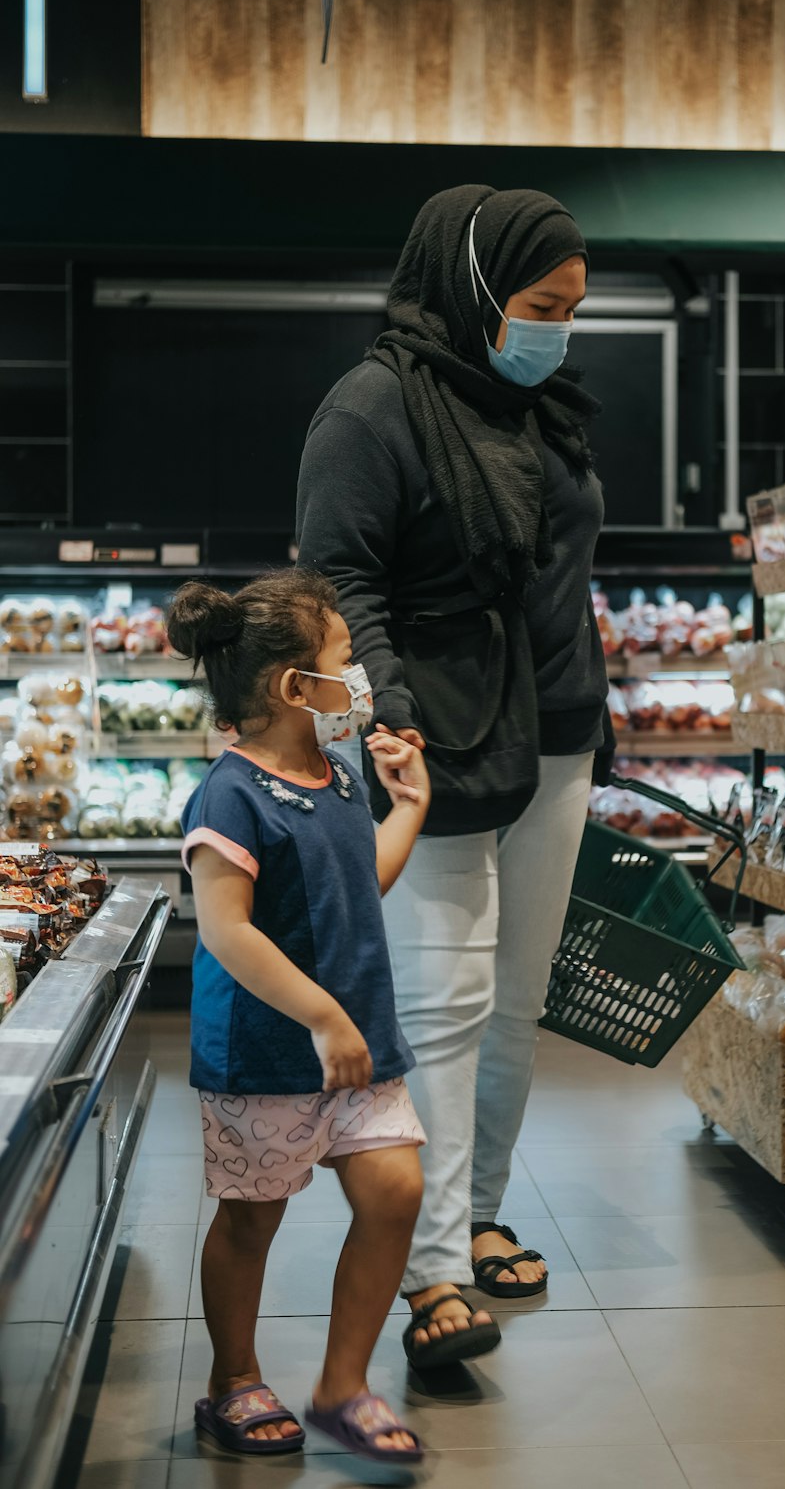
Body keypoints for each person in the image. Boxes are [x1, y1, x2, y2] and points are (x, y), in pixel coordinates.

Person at [296, 184, 612, 1370]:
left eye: (573, 310)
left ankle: (475, 1213)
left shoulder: (546, 403)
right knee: (440, 1004)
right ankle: (427, 1274)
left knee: (517, 1003)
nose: (557, 332)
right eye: (539, 306)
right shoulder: (372, 410)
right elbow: (339, 576)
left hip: (560, 728)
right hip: (430, 739)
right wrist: (388, 713)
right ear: (476, 291)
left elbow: (563, 573)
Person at [168, 570, 430, 1463]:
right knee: (253, 1219)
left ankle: (342, 1388)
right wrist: (321, 1016)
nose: (359, 682)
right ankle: (233, 1378)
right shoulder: (228, 796)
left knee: (396, 1191)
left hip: (357, 1042)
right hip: (269, 1050)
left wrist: (411, 808)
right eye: (345, 663)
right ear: (293, 688)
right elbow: (225, 930)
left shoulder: (342, 774)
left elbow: (365, 882)